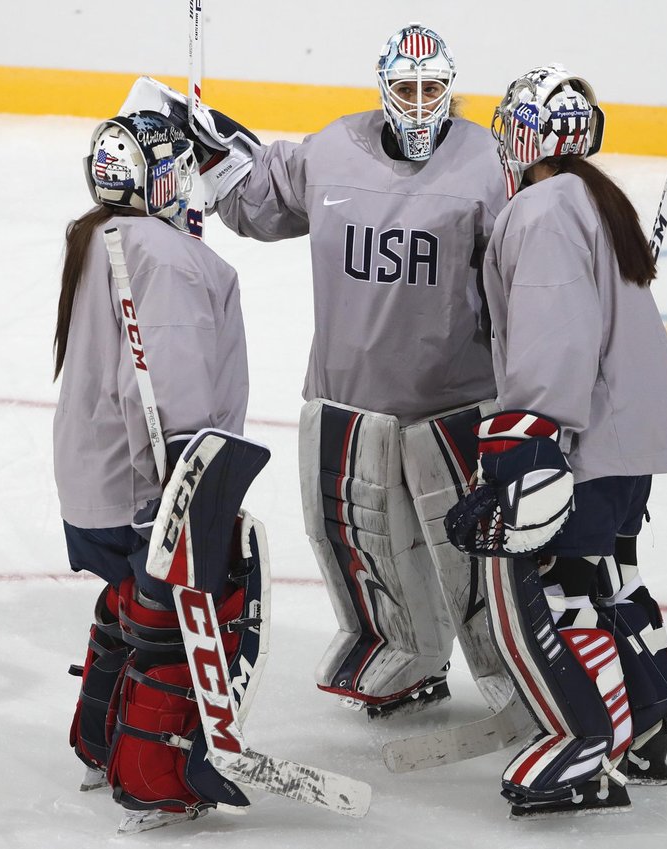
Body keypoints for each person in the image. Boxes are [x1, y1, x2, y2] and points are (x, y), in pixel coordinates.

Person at [119, 22, 513, 718]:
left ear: (450, 89)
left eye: (431, 88)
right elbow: (256, 202)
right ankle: (405, 651)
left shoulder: (489, 161)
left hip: (456, 401)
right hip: (347, 396)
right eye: (404, 87)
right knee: (358, 538)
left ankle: (514, 668)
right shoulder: (334, 149)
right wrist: (201, 147)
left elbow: (526, 264)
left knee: (474, 552)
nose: (418, 103)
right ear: (382, 86)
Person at [446, 64, 667, 817]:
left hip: (581, 439)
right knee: (611, 576)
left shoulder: (547, 208)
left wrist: (527, 442)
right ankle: (649, 706)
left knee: (557, 588)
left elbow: (556, 337)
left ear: (526, 134)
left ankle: (588, 743)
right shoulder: (591, 195)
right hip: (626, 439)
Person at [53, 110, 265, 834]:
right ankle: (154, 775)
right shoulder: (170, 258)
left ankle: (98, 740)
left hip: (94, 480)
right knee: (179, 615)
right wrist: (185, 490)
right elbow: (166, 386)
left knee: (129, 603)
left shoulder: (100, 236)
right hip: (148, 485)